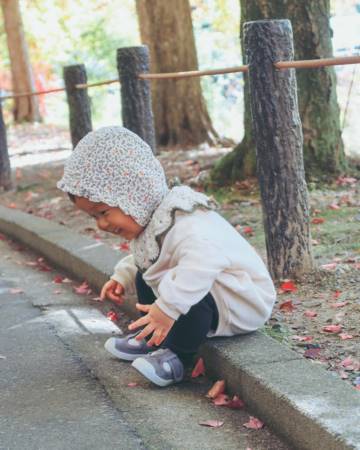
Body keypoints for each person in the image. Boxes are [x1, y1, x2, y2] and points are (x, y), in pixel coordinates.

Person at [57, 126, 276, 387]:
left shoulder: (187, 222)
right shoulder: (153, 219)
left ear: (132, 196)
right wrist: (123, 275)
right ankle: (154, 338)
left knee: (188, 292)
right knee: (145, 274)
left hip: (240, 300)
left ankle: (177, 359)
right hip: (216, 291)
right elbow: (147, 256)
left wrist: (168, 307)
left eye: (103, 212)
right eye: (94, 217)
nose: (101, 225)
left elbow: (202, 264)